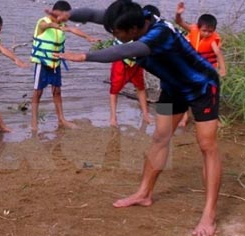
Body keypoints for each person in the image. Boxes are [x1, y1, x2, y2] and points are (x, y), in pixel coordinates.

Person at [50, 0, 222, 235]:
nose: (114, 35)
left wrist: (84, 56)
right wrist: (67, 15)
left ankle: (209, 215)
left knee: (207, 146)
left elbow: (124, 51)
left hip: (202, 86)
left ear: (132, 31)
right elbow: (95, 14)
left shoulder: (157, 36)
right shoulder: (138, 17)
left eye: (117, 32)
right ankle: (144, 194)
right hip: (172, 88)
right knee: (160, 137)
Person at [30, 0, 100, 131]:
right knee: (38, 92)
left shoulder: (61, 24)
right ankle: (34, 122)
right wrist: (54, 25)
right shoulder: (42, 21)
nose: (62, 19)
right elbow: (45, 25)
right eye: (61, 15)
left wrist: (88, 37)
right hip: (43, 63)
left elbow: (73, 29)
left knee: (57, 91)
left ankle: (61, 119)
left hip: (56, 62)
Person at [175, 1, 227, 127]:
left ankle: (214, 117)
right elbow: (179, 22)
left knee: (211, 94)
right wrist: (178, 14)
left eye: (210, 31)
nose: (207, 34)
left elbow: (218, 53)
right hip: (191, 69)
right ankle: (185, 116)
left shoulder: (213, 39)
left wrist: (222, 68)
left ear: (214, 30)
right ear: (198, 28)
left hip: (206, 70)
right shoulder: (194, 30)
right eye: (204, 31)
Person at [108, 38, 150, 126]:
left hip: (135, 59)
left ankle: (146, 115)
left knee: (140, 86)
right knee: (114, 89)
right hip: (121, 59)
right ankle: (113, 118)